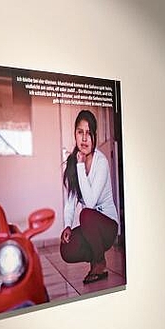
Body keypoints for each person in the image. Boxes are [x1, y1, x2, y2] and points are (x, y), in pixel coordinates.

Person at [60, 110, 119, 284]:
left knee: (85, 214)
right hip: (90, 227)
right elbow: (70, 202)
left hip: (108, 227)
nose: (84, 139)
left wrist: (80, 166)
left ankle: (100, 262)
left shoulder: (101, 162)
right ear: (75, 135)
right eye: (80, 132)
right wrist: (67, 226)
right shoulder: (73, 163)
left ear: (94, 135)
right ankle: (95, 259)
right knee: (66, 249)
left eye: (88, 133)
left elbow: (91, 202)